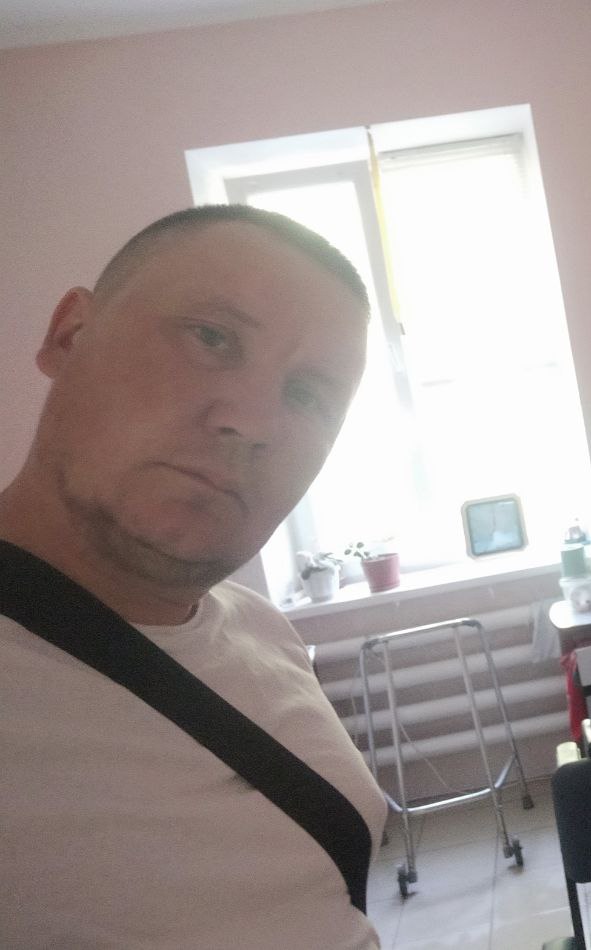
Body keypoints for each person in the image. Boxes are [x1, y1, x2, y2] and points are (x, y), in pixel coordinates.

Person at [0, 206, 387, 948]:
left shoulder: (262, 630)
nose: (253, 421)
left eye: (308, 394)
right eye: (211, 337)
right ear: (70, 334)